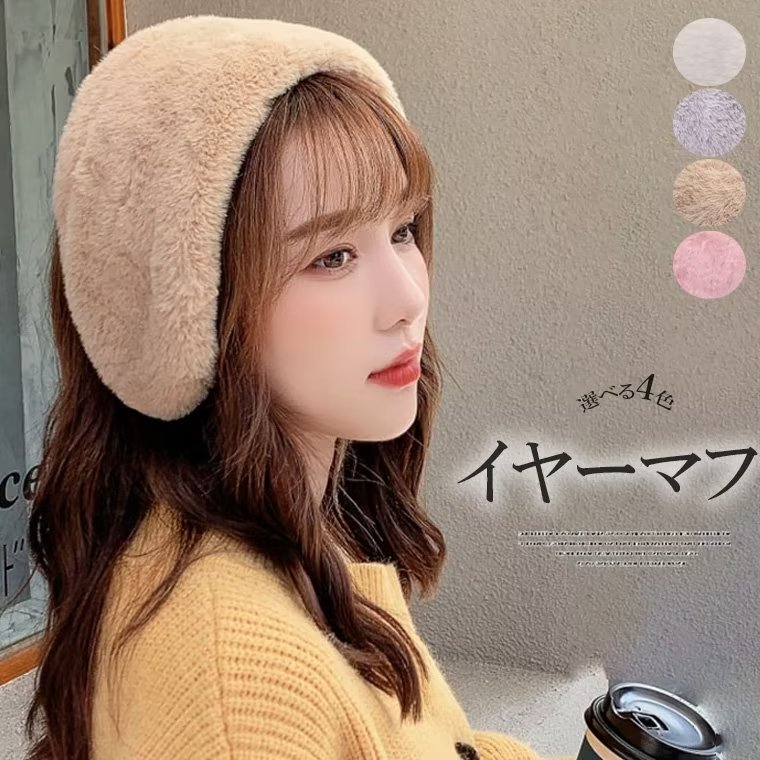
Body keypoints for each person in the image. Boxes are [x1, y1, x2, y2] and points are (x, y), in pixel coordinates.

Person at [19, 14, 576, 760]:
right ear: (192, 303)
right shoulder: (241, 696)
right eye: (332, 256)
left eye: (403, 230)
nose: (408, 297)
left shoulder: (277, 537)